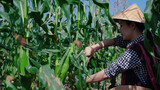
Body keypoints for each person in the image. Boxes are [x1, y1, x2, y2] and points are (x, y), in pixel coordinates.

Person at [84, 4, 156, 89]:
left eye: (121, 25)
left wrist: (83, 79)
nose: (119, 29)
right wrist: (94, 48)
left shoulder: (134, 51)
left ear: (132, 25)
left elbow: (108, 72)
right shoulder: (146, 40)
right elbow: (114, 40)